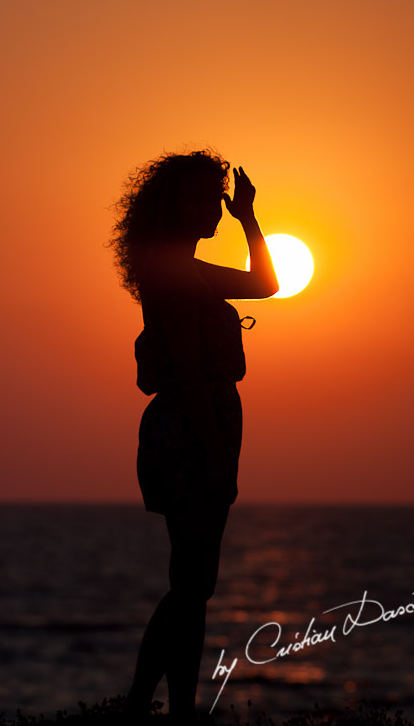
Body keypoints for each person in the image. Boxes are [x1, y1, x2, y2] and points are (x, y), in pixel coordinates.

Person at [109, 149, 278, 724]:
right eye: (201, 197)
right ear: (171, 204)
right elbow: (186, 373)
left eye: (217, 196)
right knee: (190, 583)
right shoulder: (174, 274)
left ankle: (180, 709)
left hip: (205, 422)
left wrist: (248, 219)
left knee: (195, 583)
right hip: (190, 426)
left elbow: (265, 283)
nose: (213, 207)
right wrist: (215, 453)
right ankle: (140, 704)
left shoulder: (188, 268)